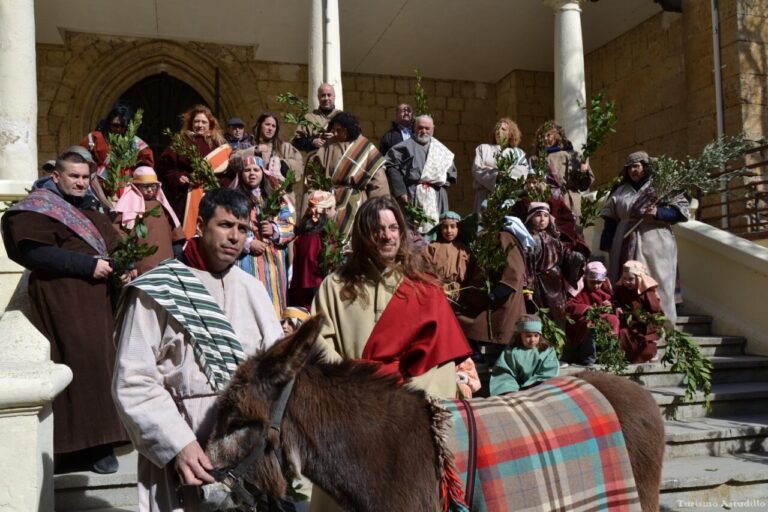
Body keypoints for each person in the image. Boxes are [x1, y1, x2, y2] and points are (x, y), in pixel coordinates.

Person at [112, 188, 284, 512]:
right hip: (182, 442)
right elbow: (133, 379)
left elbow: (276, 373)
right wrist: (178, 444)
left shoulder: (254, 290)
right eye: (225, 225)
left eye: (242, 229)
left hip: (244, 448)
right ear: (201, 225)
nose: (234, 237)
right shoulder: (158, 289)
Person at [309, 195, 472, 512]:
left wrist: (400, 402)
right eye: (377, 229)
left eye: (393, 227)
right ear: (362, 236)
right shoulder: (335, 285)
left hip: (403, 418)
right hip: (350, 415)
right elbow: (318, 347)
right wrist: (358, 389)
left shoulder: (424, 288)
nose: (387, 235)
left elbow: (438, 363)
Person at [2, 149, 129, 474]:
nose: (81, 183)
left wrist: (123, 268)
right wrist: (87, 265)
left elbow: (110, 247)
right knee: (79, 365)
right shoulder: (37, 207)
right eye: (74, 176)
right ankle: (78, 450)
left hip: (96, 302)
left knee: (99, 368)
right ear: (56, 177)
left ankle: (99, 442)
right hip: (63, 301)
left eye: (85, 177)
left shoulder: (89, 208)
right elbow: (33, 252)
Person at [600, 151, 689, 327]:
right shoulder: (620, 191)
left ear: (646, 167)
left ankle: (662, 324)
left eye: (637, 166)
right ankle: (628, 322)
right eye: (630, 167)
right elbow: (610, 219)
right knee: (626, 282)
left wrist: (659, 212)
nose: (633, 170)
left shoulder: (662, 187)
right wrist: (608, 244)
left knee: (659, 279)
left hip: (656, 241)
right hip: (623, 240)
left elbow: (680, 213)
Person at [456, 205, 530, 371]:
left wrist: (500, 291)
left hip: (502, 298)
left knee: (502, 332)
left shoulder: (504, 237)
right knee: (465, 322)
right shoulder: (485, 237)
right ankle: (477, 357)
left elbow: (514, 268)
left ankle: (506, 369)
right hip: (485, 296)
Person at [304, 111, 390, 237]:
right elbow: (314, 171)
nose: (335, 133)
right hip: (329, 202)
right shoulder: (329, 145)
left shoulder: (365, 148)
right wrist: (316, 196)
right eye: (334, 130)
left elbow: (378, 183)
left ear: (349, 129)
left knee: (354, 238)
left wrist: (379, 211)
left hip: (356, 203)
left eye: (339, 130)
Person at [231, 151, 296, 317]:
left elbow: (290, 223)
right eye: (247, 170)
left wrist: (274, 229)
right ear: (241, 174)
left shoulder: (276, 197)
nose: (252, 173)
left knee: (273, 301)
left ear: (263, 173)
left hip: (273, 260)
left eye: (256, 170)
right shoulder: (233, 198)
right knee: (248, 300)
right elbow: (229, 225)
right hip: (245, 259)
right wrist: (247, 242)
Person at [385, 114, 457, 233]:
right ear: (414, 127)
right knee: (413, 231)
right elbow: (391, 166)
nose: (424, 131)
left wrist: (442, 182)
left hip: (437, 196)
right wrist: (401, 191)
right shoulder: (403, 147)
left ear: (433, 129)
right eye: (420, 128)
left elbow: (451, 171)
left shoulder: (441, 150)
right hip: (412, 195)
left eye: (427, 128)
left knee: (439, 230)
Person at [157, 105, 228, 220]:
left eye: (204, 122)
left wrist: (216, 183)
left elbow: (227, 173)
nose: (200, 125)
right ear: (191, 123)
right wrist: (178, 177)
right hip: (187, 198)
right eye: (197, 122)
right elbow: (166, 168)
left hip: (212, 198)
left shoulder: (219, 145)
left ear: (210, 124)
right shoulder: (181, 142)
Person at [112, 166, 186, 275]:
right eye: (145, 186)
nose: (150, 190)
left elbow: (174, 228)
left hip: (166, 264)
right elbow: (119, 233)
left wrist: (178, 252)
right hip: (142, 266)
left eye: (153, 186)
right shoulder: (129, 206)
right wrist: (130, 263)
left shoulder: (161, 206)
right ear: (136, 186)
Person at [525, 202, 584, 328]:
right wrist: (528, 287)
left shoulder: (554, 240)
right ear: (530, 218)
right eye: (538, 215)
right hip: (539, 284)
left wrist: (577, 257)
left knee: (559, 312)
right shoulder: (528, 240)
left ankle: (557, 344)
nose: (542, 219)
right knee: (541, 314)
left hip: (556, 284)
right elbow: (528, 266)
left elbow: (564, 256)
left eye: (546, 216)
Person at [81, 102, 155, 195]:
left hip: (126, 190)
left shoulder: (137, 144)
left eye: (123, 126)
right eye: (115, 125)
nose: (118, 129)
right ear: (109, 123)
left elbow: (145, 168)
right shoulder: (94, 138)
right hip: (96, 189)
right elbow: (80, 158)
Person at [531, 120, 594, 225]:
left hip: (569, 202)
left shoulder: (572, 155)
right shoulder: (536, 159)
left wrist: (583, 172)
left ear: (558, 135)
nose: (545, 139)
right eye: (542, 137)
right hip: (547, 204)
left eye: (548, 135)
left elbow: (583, 185)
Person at [564, 261, 620, 366]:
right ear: (586, 280)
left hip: (600, 317)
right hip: (582, 320)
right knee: (590, 324)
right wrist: (587, 308)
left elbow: (612, 305)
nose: (596, 286)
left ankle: (608, 354)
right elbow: (569, 305)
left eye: (599, 283)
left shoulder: (604, 293)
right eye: (592, 282)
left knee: (613, 320)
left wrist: (609, 307)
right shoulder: (578, 291)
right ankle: (588, 356)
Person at [489, 314, 560, 395]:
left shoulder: (546, 350)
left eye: (536, 335)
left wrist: (532, 385)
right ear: (520, 336)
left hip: (538, 385)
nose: (532, 340)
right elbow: (504, 373)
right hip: (516, 389)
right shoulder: (511, 352)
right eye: (528, 336)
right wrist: (510, 389)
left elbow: (549, 371)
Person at [288, 190, 336, 309]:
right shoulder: (312, 238)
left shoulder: (320, 234)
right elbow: (309, 273)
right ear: (326, 210)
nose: (335, 211)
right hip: (310, 302)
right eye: (333, 207)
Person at [472, 117, 529, 214]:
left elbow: (522, 172)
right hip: (484, 197)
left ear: (511, 134)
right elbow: (477, 171)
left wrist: (499, 171)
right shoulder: (483, 149)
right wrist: (496, 175)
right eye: (497, 129)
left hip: (509, 199)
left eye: (503, 129)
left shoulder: (518, 153)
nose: (499, 131)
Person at [253, 112, 305, 209]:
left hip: (282, 198)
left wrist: (283, 165)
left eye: (273, 126)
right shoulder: (250, 145)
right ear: (260, 125)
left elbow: (299, 165)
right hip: (256, 197)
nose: (270, 128)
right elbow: (235, 159)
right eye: (267, 124)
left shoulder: (285, 147)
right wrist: (254, 150)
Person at [615, 260, 663, 363]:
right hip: (628, 323)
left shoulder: (647, 292)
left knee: (644, 345)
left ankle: (651, 352)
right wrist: (616, 307)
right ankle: (627, 355)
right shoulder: (621, 289)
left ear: (640, 278)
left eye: (631, 279)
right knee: (623, 333)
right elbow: (615, 300)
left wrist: (647, 318)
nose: (627, 282)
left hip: (644, 325)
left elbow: (655, 310)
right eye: (624, 279)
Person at [423, 211, 470, 301]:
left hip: (460, 295)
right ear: (440, 229)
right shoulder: (431, 248)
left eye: (453, 226)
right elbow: (424, 271)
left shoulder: (465, 250)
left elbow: (471, 273)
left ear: (458, 228)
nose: (449, 230)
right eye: (445, 227)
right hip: (437, 293)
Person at [291, 83, 342, 152]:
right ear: (318, 97)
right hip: (315, 161)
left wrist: (336, 137)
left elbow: (353, 140)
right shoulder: (308, 118)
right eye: (323, 95)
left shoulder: (343, 117)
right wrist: (312, 142)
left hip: (338, 160)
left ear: (334, 96)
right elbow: (295, 143)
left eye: (329, 95)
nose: (326, 98)